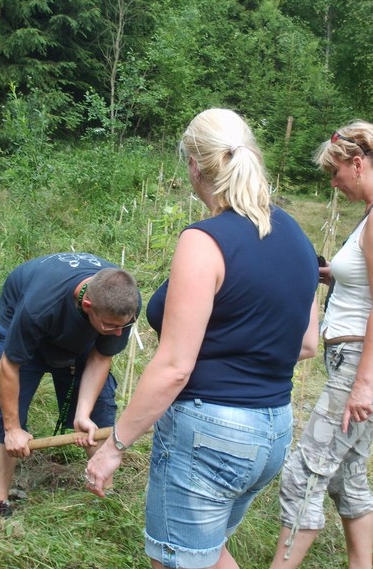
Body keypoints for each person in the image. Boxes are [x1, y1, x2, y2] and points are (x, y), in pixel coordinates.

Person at [85, 108, 319, 569]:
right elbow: (308, 343)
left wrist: (114, 449)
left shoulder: (204, 241)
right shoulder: (295, 233)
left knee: (178, 561)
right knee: (205, 556)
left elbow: (174, 367)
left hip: (211, 435)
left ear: (194, 164)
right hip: (271, 432)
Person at [270, 122, 373, 569]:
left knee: (302, 474)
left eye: (335, 173)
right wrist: (330, 273)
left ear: (357, 162)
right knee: (347, 476)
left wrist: (364, 383)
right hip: (350, 360)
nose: (333, 184)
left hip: (359, 364)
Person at [0, 252, 140, 518]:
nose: (118, 333)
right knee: (8, 411)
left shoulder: (124, 305)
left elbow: (101, 357)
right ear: (88, 305)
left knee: (99, 411)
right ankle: (0, 504)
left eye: (123, 326)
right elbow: (10, 365)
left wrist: (83, 414)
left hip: (81, 326)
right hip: (27, 323)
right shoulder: (38, 306)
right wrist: (12, 429)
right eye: (112, 327)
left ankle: (105, 495)